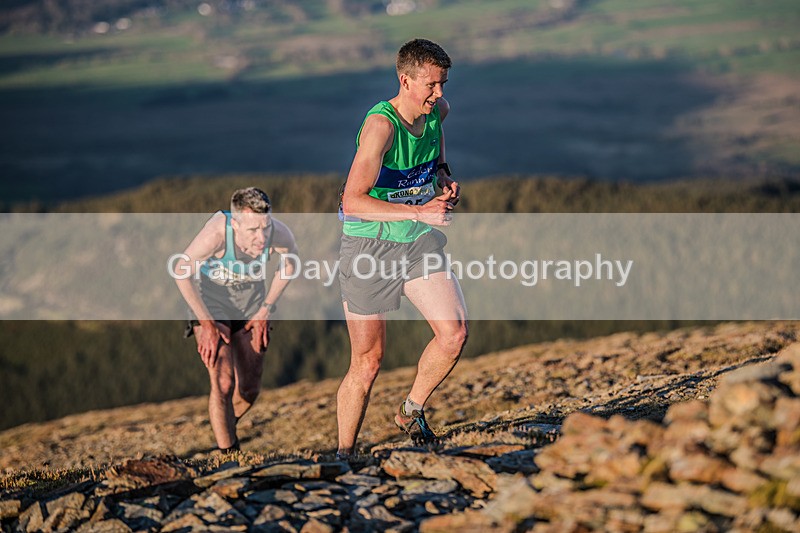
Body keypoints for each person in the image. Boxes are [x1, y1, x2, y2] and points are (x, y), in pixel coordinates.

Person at [337, 39, 468, 458]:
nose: (439, 94)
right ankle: (344, 456)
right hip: (368, 247)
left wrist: (443, 174)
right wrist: (419, 212)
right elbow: (351, 200)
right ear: (404, 79)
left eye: (443, 83)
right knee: (368, 362)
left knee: (454, 334)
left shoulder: (437, 113)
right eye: (430, 85)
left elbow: (437, 143)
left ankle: (411, 410)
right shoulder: (382, 126)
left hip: (415, 243)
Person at [174, 187, 298, 453]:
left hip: (251, 305)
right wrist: (205, 323)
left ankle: (225, 426)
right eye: (253, 230)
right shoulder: (217, 234)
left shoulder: (279, 232)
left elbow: (290, 262)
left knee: (250, 389)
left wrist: (266, 308)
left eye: (264, 227)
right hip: (211, 304)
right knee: (223, 382)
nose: (261, 236)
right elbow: (180, 271)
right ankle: (229, 456)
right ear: (235, 222)